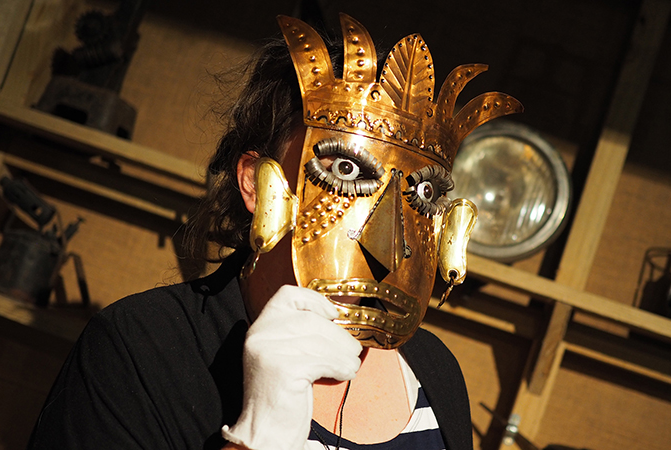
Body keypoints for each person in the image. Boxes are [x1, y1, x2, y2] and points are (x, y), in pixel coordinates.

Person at [27, 13, 521, 450]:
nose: (387, 248)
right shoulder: (142, 350)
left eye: (425, 195)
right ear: (257, 184)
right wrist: (258, 438)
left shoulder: (437, 375)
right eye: (346, 171)